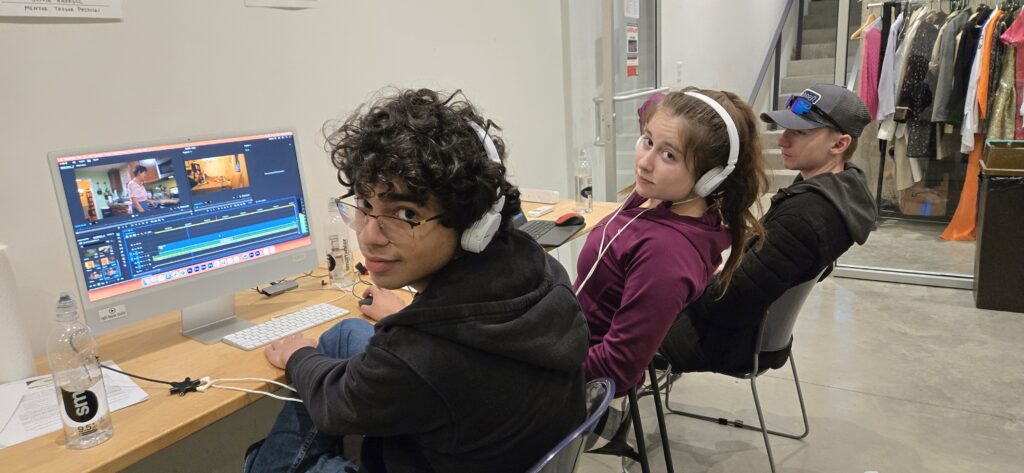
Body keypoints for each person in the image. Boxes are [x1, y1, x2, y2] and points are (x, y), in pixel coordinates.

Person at [243, 88, 590, 473]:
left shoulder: (420, 355)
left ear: (472, 222)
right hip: (495, 442)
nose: (370, 236)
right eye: (365, 204)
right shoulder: (535, 264)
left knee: (266, 463)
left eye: (405, 212)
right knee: (344, 335)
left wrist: (297, 355)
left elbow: (341, 399)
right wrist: (413, 315)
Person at [659, 83, 877, 374]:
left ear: (839, 145)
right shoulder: (839, 193)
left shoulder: (805, 217)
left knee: (619, 313)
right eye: (785, 129)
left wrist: (694, 281)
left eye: (799, 133)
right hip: (754, 332)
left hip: (726, 342)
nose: (783, 141)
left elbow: (729, 305)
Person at [574, 87, 769, 397]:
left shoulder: (666, 255)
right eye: (647, 141)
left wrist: (543, 372)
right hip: (565, 338)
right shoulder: (656, 198)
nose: (644, 163)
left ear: (711, 178)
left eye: (669, 155)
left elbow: (617, 369)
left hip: (575, 373)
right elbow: (655, 111)